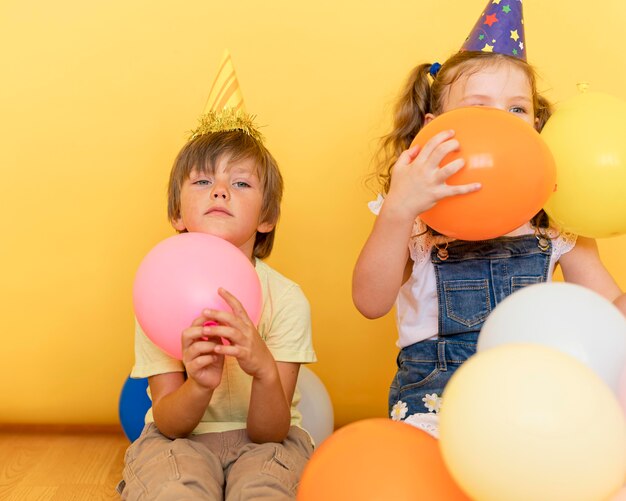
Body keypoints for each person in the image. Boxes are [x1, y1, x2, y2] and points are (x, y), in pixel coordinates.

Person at [352, 2, 626, 429]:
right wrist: (398, 209)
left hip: (533, 389)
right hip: (438, 393)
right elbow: (370, 302)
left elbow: (611, 309)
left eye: (516, 110)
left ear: (536, 124)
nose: (502, 123)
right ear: (433, 127)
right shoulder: (415, 216)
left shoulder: (554, 220)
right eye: (480, 108)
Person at [118, 108, 317, 500]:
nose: (220, 190)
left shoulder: (287, 298)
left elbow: (270, 432)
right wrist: (199, 386)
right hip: (180, 440)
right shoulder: (157, 291)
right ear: (177, 212)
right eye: (204, 180)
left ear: (267, 217)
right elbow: (171, 423)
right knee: (173, 489)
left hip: (266, 444)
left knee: (267, 489)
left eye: (241, 183)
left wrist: (263, 369)